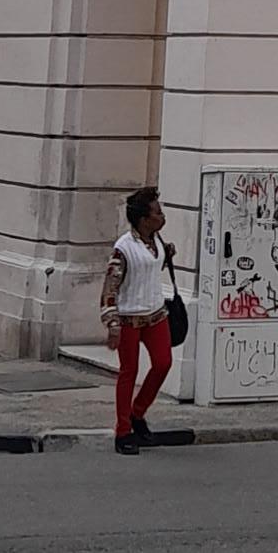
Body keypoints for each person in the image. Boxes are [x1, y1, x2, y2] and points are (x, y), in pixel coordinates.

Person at [102, 186, 193, 452]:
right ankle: (123, 431)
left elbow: (149, 269)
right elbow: (111, 286)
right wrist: (112, 322)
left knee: (163, 363)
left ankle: (137, 412)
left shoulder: (158, 241)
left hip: (156, 314)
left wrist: (167, 257)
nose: (162, 216)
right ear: (143, 219)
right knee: (128, 373)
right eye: (157, 212)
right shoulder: (123, 248)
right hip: (130, 317)